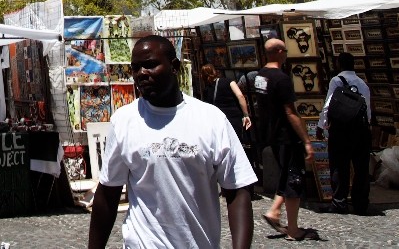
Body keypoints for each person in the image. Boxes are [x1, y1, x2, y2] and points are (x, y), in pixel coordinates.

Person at [88, 35, 256, 249]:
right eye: (136, 68)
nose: (141, 74)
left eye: (150, 65)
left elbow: (237, 189)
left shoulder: (211, 119)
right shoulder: (124, 121)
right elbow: (108, 193)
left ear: (174, 67)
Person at [255, 38, 318, 241]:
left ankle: (274, 210)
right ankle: (293, 229)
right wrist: (307, 140)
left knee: (287, 175)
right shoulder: (281, 79)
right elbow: (290, 112)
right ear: (280, 52)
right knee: (294, 180)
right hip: (286, 136)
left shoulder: (260, 76)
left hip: (271, 135)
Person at [316, 52, 372, 215]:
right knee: (361, 168)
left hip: (341, 130)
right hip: (361, 131)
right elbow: (367, 109)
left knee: (340, 166)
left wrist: (321, 126)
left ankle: (339, 202)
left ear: (339, 64)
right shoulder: (363, 84)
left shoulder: (336, 81)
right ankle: (360, 203)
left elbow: (328, 105)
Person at [200, 64, 252, 142]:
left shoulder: (206, 90)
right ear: (214, 71)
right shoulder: (228, 81)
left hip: (220, 121)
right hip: (235, 118)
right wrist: (246, 115)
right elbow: (240, 96)